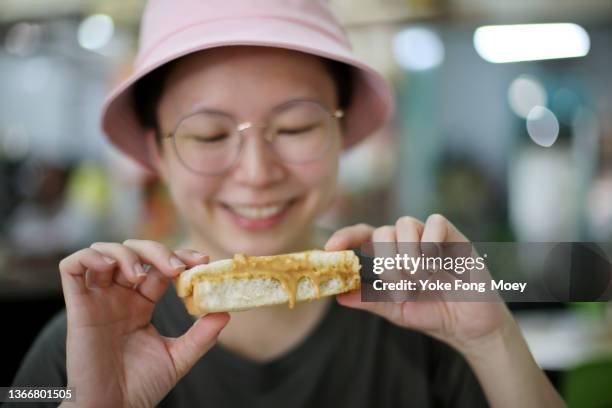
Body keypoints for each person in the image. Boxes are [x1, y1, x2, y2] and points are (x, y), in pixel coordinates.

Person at [10, 1, 565, 407]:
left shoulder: (429, 323)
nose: (256, 174)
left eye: (296, 127)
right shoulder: (77, 347)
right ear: (159, 151)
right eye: (208, 135)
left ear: (341, 136)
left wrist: (493, 341)